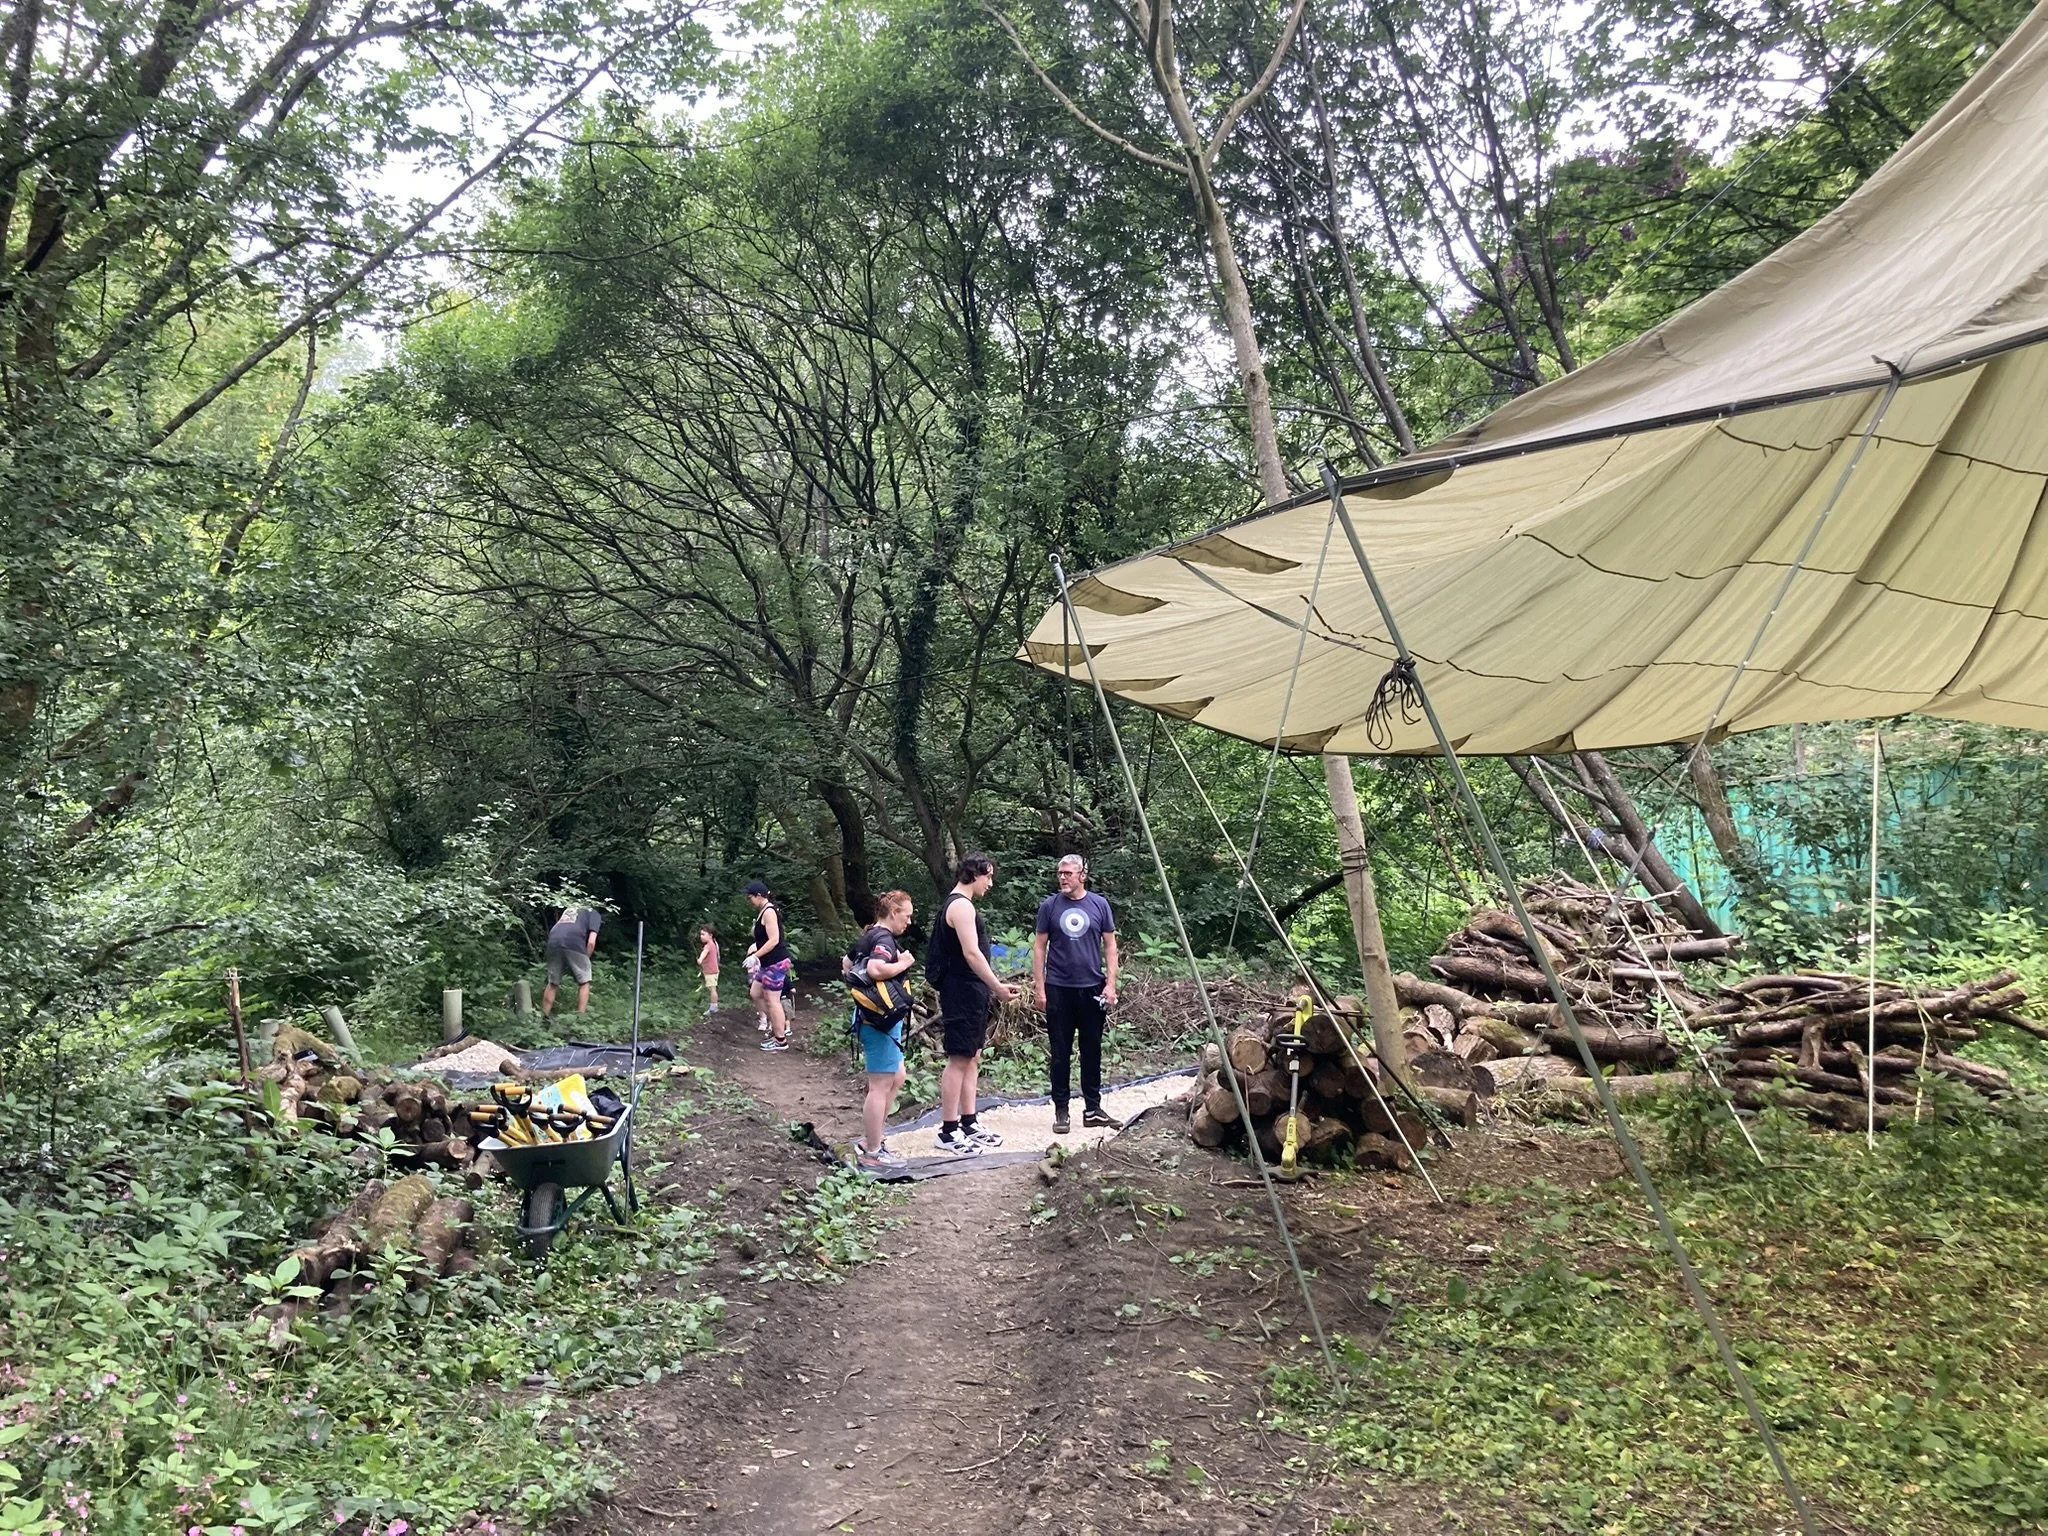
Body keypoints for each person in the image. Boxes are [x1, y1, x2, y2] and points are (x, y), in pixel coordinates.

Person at [925, 853, 1018, 1155]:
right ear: (973, 875)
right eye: (988, 877)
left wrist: (991, 987)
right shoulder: (961, 906)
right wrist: (998, 987)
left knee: (973, 1055)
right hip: (961, 991)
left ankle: (969, 1121)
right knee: (959, 1059)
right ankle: (948, 1130)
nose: (990, 883)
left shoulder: (964, 905)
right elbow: (972, 954)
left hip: (973, 991)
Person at [1032, 853, 1120, 1134]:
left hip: (1092, 988)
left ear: (1082, 875)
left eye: (1068, 873)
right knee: (1060, 1051)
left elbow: (1110, 946)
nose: (1063, 878)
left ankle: (1093, 1108)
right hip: (1059, 988)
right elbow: (1039, 947)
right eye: (1060, 873)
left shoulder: (1099, 904)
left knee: (1091, 1050)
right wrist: (1039, 986)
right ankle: (1061, 1110)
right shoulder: (1050, 906)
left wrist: (1111, 984)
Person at [843, 890, 917, 1171]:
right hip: (879, 1022)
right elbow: (874, 969)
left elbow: (847, 964)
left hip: (870, 1018)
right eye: (906, 916)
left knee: (897, 1076)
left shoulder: (869, 934)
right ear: (893, 913)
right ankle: (872, 1150)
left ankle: (874, 1138)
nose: (908, 922)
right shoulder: (884, 938)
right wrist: (904, 963)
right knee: (880, 1085)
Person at [742, 880, 794, 1051]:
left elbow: (774, 940)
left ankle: (780, 1040)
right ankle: (776, 1024)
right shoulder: (762, 911)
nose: (748, 901)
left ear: (759, 895)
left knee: (773, 1001)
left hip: (776, 962)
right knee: (755, 992)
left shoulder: (769, 912)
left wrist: (754, 956)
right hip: (766, 963)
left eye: (750, 897)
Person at [541, 905, 601, 1017]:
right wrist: (586, 958)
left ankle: (543, 1017)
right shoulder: (594, 913)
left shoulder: (570, 908)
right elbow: (591, 942)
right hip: (574, 942)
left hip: (553, 941)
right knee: (584, 981)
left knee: (552, 982)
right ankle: (580, 1018)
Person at [696, 924, 721, 1016]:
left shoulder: (708, 945)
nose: (701, 936)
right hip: (712, 970)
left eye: (703, 934)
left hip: (711, 971)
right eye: (700, 934)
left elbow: (704, 953)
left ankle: (713, 1008)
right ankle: (713, 1006)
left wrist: (700, 960)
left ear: (710, 935)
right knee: (711, 988)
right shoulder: (713, 944)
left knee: (712, 989)